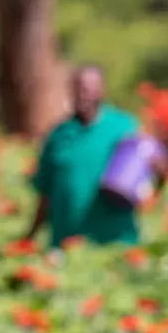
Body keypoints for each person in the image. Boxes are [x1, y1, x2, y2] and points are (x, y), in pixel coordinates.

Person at [25, 65, 141, 248]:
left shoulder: (123, 127)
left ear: (101, 91)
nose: (82, 94)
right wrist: (29, 237)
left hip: (115, 242)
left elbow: (144, 173)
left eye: (88, 89)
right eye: (77, 88)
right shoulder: (59, 135)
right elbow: (45, 194)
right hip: (67, 244)